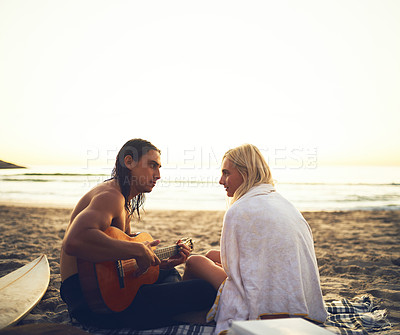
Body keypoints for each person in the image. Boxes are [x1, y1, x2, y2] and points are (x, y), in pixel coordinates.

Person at [60, 139, 217, 330]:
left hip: (103, 292)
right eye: (152, 166)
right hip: (90, 302)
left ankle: (171, 310)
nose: (158, 175)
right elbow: (74, 240)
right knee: (205, 290)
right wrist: (136, 249)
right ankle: (178, 315)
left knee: (169, 272)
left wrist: (158, 261)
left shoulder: (122, 199)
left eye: (159, 168)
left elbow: (119, 263)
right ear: (129, 162)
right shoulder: (110, 196)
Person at [183, 144, 327, 334]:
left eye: (226, 173)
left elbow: (232, 268)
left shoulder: (239, 210)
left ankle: (187, 310)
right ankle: (204, 306)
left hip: (263, 302)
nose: (220, 180)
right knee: (211, 254)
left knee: (195, 261)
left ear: (246, 172)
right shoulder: (281, 202)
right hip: (297, 297)